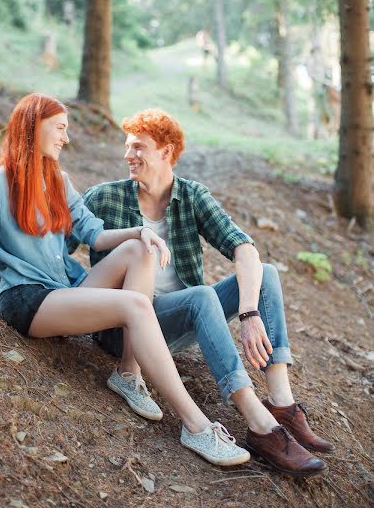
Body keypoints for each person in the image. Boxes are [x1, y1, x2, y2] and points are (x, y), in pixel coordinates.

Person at [0, 93, 254, 468]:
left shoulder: (58, 179)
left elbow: (96, 235)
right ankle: (196, 425)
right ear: (32, 127)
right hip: (29, 300)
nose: (65, 138)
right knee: (135, 304)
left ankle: (127, 373)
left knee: (143, 250)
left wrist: (140, 232)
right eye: (59, 129)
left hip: (67, 291)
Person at [69, 108, 333, 478]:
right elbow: (56, 248)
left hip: (179, 324)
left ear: (166, 151)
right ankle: (258, 424)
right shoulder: (104, 198)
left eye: (139, 147)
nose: (129, 155)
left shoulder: (192, 196)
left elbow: (243, 248)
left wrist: (248, 313)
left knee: (265, 273)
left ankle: (281, 404)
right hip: (123, 330)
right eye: (127, 147)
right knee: (201, 296)